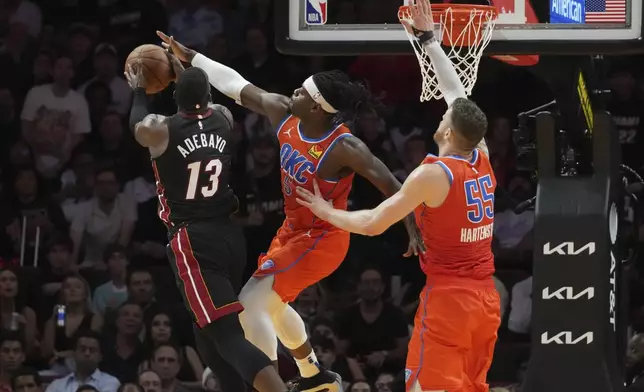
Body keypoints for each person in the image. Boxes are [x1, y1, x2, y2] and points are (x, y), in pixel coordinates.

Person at [157, 31, 423, 392]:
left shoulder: (345, 146)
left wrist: (412, 223)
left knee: (251, 306)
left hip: (324, 237)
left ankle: (269, 385)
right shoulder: (285, 115)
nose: (292, 92)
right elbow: (237, 85)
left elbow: (394, 186)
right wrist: (194, 58)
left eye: (301, 91)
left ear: (316, 107)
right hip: (292, 231)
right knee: (274, 305)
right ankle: (314, 376)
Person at [294, 0, 501, 391]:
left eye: (444, 118)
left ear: (449, 134)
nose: (441, 116)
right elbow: (454, 91)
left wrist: (325, 210)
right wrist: (427, 40)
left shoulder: (433, 174)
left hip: (449, 300)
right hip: (485, 301)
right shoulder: (482, 156)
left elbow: (373, 223)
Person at [124, 54, 293, 392]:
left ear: (175, 96)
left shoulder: (161, 129)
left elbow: (137, 126)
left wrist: (140, 89)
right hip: (230, 236)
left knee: (226, 334)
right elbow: (206, 98)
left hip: (193, 240)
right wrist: (185, 69)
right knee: (205, 330)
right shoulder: (224, 118)